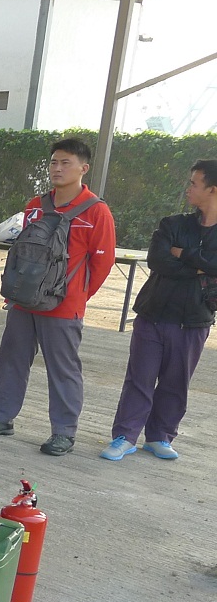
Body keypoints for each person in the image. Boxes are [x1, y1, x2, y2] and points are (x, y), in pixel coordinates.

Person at [0, 138, 117, 456]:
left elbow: (102, 263)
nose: (57, 168)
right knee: (12, 360)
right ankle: (1, 417)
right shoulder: (35, 205)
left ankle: (64, 433)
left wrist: (77, 296)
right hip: (24, 301)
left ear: (84, 168)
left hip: (64, 307)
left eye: (66, 162)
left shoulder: (97, 211)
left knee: (63, 369)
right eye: (54, 162)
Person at [102, 160, 217, 461]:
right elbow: (158, 261)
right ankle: (125, 436)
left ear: (212, 190)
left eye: (194, 183)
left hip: (194, 320)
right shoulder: (173, 224)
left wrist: (185, 254)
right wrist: (200, 266)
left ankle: (160, 437)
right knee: (139, 378)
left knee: (176, 383)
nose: (188, 188)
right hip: (153, 314)